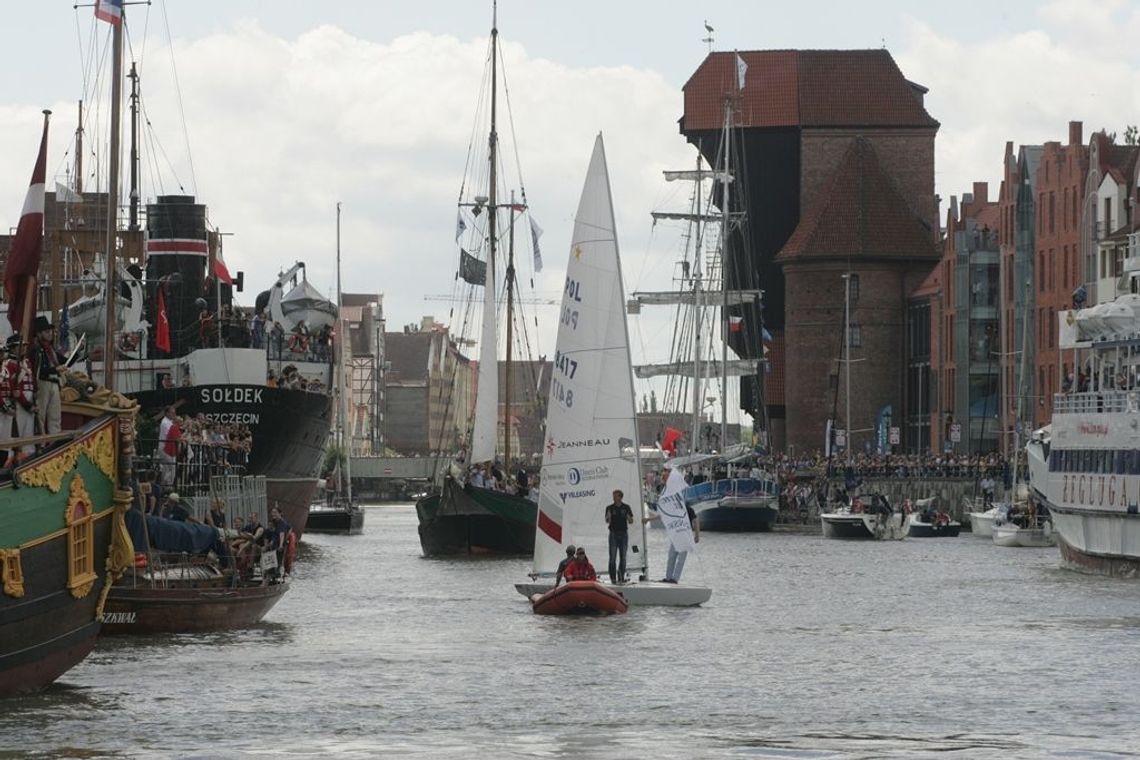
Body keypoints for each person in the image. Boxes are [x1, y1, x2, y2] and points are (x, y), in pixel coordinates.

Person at [32, 316, 65, 436]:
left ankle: (54, 439)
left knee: (55, 415)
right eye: (47, 332)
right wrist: (55, 369)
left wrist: (79, 352)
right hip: (43, 383)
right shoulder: (37, 350)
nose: (50, 334)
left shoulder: (51, 350)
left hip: (54, 383)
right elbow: (39, 372)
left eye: (50, 331)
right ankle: (41, 442)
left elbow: (65, 362)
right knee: (40, 415)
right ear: (39, 334)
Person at [604, 489, 634, 584]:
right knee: (612, 557)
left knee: (623, 557)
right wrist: (608, 517)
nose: (613, 497)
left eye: (615, 496)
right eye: (613, 496)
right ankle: (613, 578)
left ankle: (621, 576)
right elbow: (607, 521)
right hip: (613, 534)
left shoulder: (626, 507)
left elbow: (631, 521)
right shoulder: (609, 508)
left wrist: (628, 517)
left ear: (620, 497)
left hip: (623, 534)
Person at [156, 406, 180, 486]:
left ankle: (165, 485)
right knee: (171, 467)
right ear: (167, 413)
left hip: (169, 447)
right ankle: (167, 485)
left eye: (174, 412)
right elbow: (169, 435)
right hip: (165, 448)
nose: (174, 414)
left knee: (167, 468)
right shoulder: (165, 423)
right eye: (172, 412)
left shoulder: (170, 422)